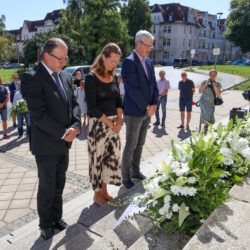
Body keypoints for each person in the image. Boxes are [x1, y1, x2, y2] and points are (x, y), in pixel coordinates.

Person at [21, 38, 81, 240]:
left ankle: (56, 218)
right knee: (47, 187)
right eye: (61, 58)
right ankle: (45, 224)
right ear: (46, 56)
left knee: (59, 184)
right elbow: (38, 116)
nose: (64, 62)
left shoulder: (64, 76)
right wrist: (65, 132)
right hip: (46, 145)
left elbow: (74, 104)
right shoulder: (32, 78)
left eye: (66, 58)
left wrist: (76, 125)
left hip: (64, 143)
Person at [85, 43, 123, 206]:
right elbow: (92, 106)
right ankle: (97, 194)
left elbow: (117, 99)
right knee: (97, 160)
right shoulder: (91, 77)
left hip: (114, 124)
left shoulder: (113, 76)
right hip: (99, 125)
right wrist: (110, 123)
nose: (114, 65)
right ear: (103, 57)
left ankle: (105, 191)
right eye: (112, 61)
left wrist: (119, 120)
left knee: (110, 158)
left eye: (117, 62)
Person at [121, 30, 159, 189]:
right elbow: (132, 89)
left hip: (148, 111)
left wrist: (155, 104)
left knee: (141, 143)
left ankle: (136, 171)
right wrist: (147, 106)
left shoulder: (149, 62)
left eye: (151, 45)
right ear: (138, 44)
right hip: (134, 111)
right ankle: (126, 176)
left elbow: (154, 85)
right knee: (131, 144)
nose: (149, 48)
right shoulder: (129, 62)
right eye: (147, 45)